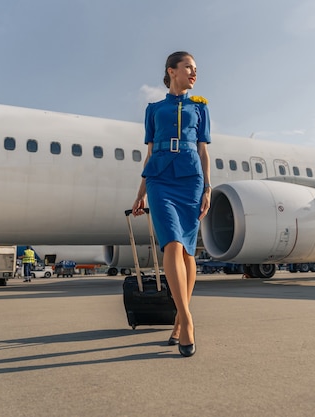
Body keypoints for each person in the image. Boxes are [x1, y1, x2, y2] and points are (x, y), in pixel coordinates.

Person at [132, 51, 211, 357]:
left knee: (189, 251)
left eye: (196, 69)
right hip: (160, 179)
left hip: (190, 178)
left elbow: (203, 151)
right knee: (172, 245)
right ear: (172, 71)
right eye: (189, 67)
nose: (194, 73)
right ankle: (188, 319)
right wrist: (140, 192)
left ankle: (179, 317)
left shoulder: (200, 107)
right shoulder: (153, 109)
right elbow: (149, 152)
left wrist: (207, 187)